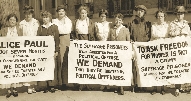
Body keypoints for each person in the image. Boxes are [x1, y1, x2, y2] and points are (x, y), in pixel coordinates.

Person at [169, 6, 191, 97]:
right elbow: (170, 33)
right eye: (178, 14)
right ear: (176, 15)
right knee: (177, 67)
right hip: (177, 49)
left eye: (181, 13)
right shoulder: (172, 23)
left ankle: (187, 86)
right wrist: (179, 32)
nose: (180, 15)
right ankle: (177, 87)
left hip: (185, 48)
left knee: (186, 66)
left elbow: (189, 35)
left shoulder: (187, 24)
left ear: (184, 15)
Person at [72, 5, 95, 91]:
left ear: (87, 13)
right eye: (82, 13)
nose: (83, 15)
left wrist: (91, 44)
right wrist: (76, 40)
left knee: (88, 64)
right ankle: (81, 84)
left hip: (88, 43)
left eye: (85, 13)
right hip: (79, 43)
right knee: (80, 64)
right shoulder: (76, 22)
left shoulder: (90, 22)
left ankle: (88, 84)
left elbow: (93, 34)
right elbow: (73, 33)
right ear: (79, 14)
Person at [129, 5, 151, 92]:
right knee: (135, 67)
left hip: (144, 49)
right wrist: (131, 41)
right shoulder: (132, 23)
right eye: (138, 11)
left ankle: (144, 84)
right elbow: (130, 35)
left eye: (141, 11)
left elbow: (149, 36)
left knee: (143, 66)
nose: (139, 12)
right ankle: (136, 85)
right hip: (135, 48)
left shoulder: (147, 24)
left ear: (144, 13)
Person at [0, 13, 23, 98]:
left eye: (14, 20)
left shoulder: (19, 30)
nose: (12, 21)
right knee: (8, 71)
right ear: (8, 21)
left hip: (16, 54)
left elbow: (23, 41)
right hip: (6, 54)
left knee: (15, 70)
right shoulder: (3, 30)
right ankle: (9, 90)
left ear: (16, 22)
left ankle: (15, 88)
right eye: (10, 20)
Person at [37, 11, 60, 93]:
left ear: (50, 18)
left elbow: (57, 40)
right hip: (44, 52)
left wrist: (56, 50)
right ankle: (45, 85)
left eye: (46, 17)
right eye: (43, 17)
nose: (45, 19)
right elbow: (38, 40)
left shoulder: (54, 27)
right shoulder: (40, 28)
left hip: (52, 51)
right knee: (45, 67)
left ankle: (52, 85)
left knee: (52, 67)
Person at [108, 13, 130, 95]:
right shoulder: (112, 30)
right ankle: (117, 86)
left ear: (122, 21)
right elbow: (109, 41)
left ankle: (122, 87)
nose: (118, 21)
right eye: (116, 20)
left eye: (119, 20)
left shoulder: (125, 30)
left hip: (122, 52)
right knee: (115, 69)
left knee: (122, 69)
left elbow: (128, 41)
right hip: (114, 52)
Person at [19, 5, 39, 94]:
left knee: (34, 65)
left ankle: (33, 85)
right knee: (28, 66)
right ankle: (28, 86)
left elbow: (38, 34)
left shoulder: (36, 22)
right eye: (26, 14)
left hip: (35, 47)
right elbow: (19, 36)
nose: (28, 16)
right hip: (26, 47)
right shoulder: (21, 23)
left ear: (32, 14)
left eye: (29, 14)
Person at [52, 5, 72, 90]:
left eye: (62, 11)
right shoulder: (54, 21)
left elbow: (67, 30)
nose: (61, 13)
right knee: (58, 61)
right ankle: (58, 82)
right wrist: (60, 29)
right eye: (59, 11)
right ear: (57, 13)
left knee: (65, 61)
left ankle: (65, 82)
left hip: (66, 40)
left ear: (65, 12)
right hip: (58, 40)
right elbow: (56, 30)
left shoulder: (68, 21)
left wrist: (60, 29)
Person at [150, 10, 170, 95]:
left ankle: (162, 87)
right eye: (158, 16)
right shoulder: (153, 26)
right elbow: (152, 36)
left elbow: (168, 36)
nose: (160, 18)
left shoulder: (167, 26)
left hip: (164, 48)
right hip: (155, 47)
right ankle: (155, 87)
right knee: (155, 68)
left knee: (163, 68)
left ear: (164, 17)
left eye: (161, 16)